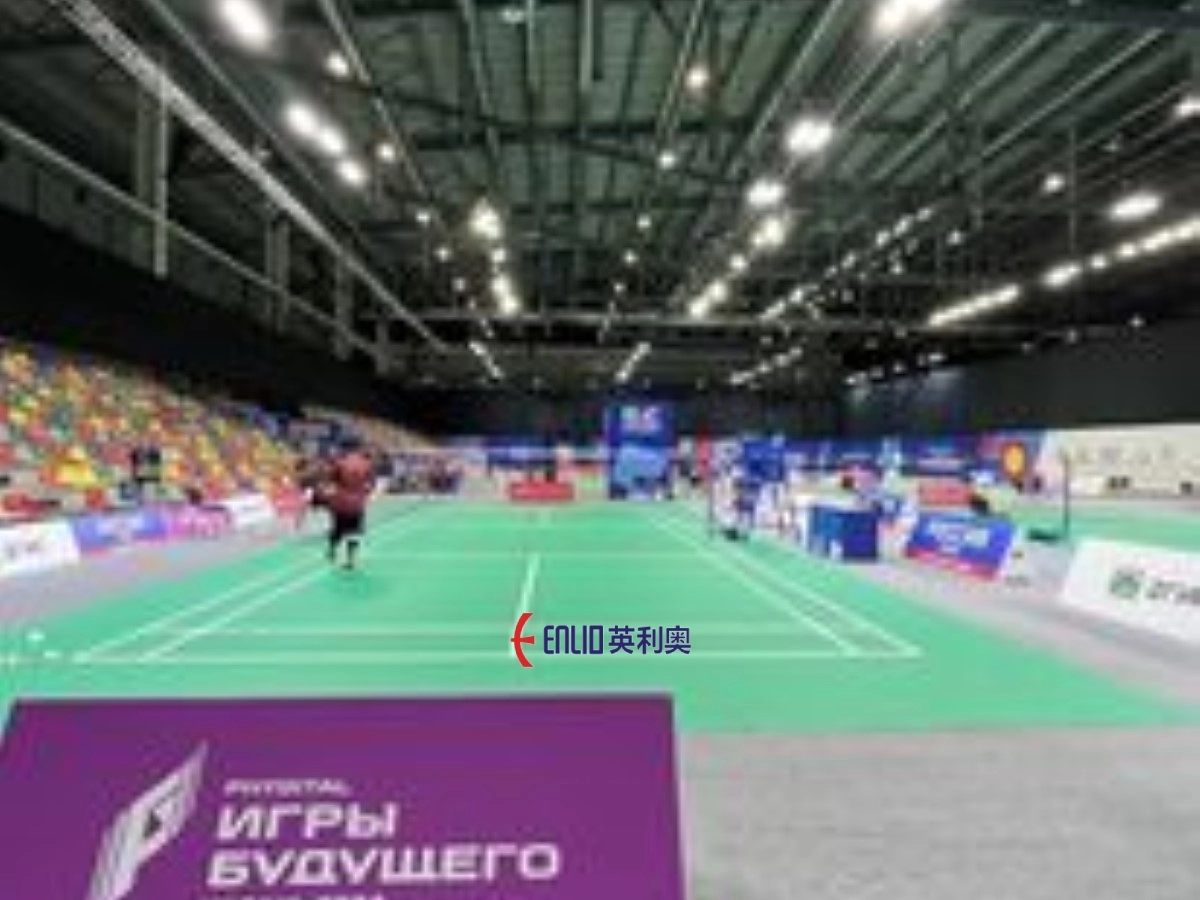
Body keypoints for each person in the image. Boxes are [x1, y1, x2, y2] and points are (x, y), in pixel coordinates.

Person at [325, 441, 376, 570]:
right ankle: (351, 560)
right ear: (358, 449)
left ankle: (332, 549)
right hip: (357, 504)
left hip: (340, 502)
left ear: (346, 449)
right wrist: (364, 493)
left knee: (337, 528)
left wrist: (330, 494)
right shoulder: (367, 464)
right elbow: (370, 485)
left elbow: (331, 481)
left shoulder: (340, 463)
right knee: (354, 532)